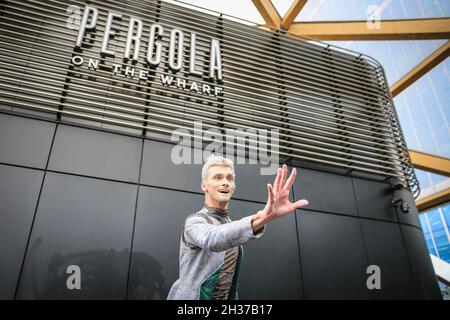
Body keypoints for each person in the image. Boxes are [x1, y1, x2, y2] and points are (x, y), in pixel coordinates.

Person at [167, 154, 308, 300]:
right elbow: (214, 238)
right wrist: (264, 217)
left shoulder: (229, 225)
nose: (225, 182)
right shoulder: (194, 222)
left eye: (229, 178)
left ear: (234, 187)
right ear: (204, 185)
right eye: (218, 177)